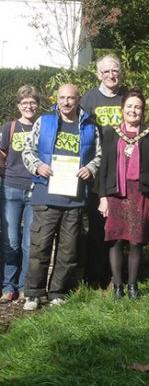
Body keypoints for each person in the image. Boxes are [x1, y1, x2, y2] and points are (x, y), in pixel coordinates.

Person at [21, 84, 101, 310]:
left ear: (78, 100)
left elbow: (99, 155)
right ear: (56, 99)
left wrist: (91, 169)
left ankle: (57, 291)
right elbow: (28, 151)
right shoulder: (43, 122)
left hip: (74, 199)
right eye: (62, 98)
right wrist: (38, 166)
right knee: (40, 247)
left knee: (69, 250)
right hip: (45, 195)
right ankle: (33, 294)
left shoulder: (89, 126)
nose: (66, 102)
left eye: (71, 98)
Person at [98, 88, 149, 300]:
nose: (133, 111)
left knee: (136, 240)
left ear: (143, 111)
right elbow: (104, 167)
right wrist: (102, 197)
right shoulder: (110, 133)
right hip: (116, 193)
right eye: (129, 106)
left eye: (138, 107)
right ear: (122, 109)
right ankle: (118, 287)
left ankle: (133, 287)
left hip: (140, 194)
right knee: (115, 240)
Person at [80, 54, 126, 289]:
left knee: (117, 224)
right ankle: (93, 274)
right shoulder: (89, 97)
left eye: (115, 70)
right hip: (96, 171)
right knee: (96, 225)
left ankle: (113, 275)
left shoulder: (127, 96)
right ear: (99, 74)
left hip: (122, 171)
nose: (111, 75)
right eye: (106, 71)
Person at [0, 85, 40, 304]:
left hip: (35, 190)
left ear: (38, 105)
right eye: (25, 102)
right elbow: (2, 153)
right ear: (18, 105)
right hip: (10, 188)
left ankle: (26, 287)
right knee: (11, 242)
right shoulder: (10, 127)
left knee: (29, 243)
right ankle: (8, 286)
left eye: (32, 102)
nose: (29, 106)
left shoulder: (44, 126)